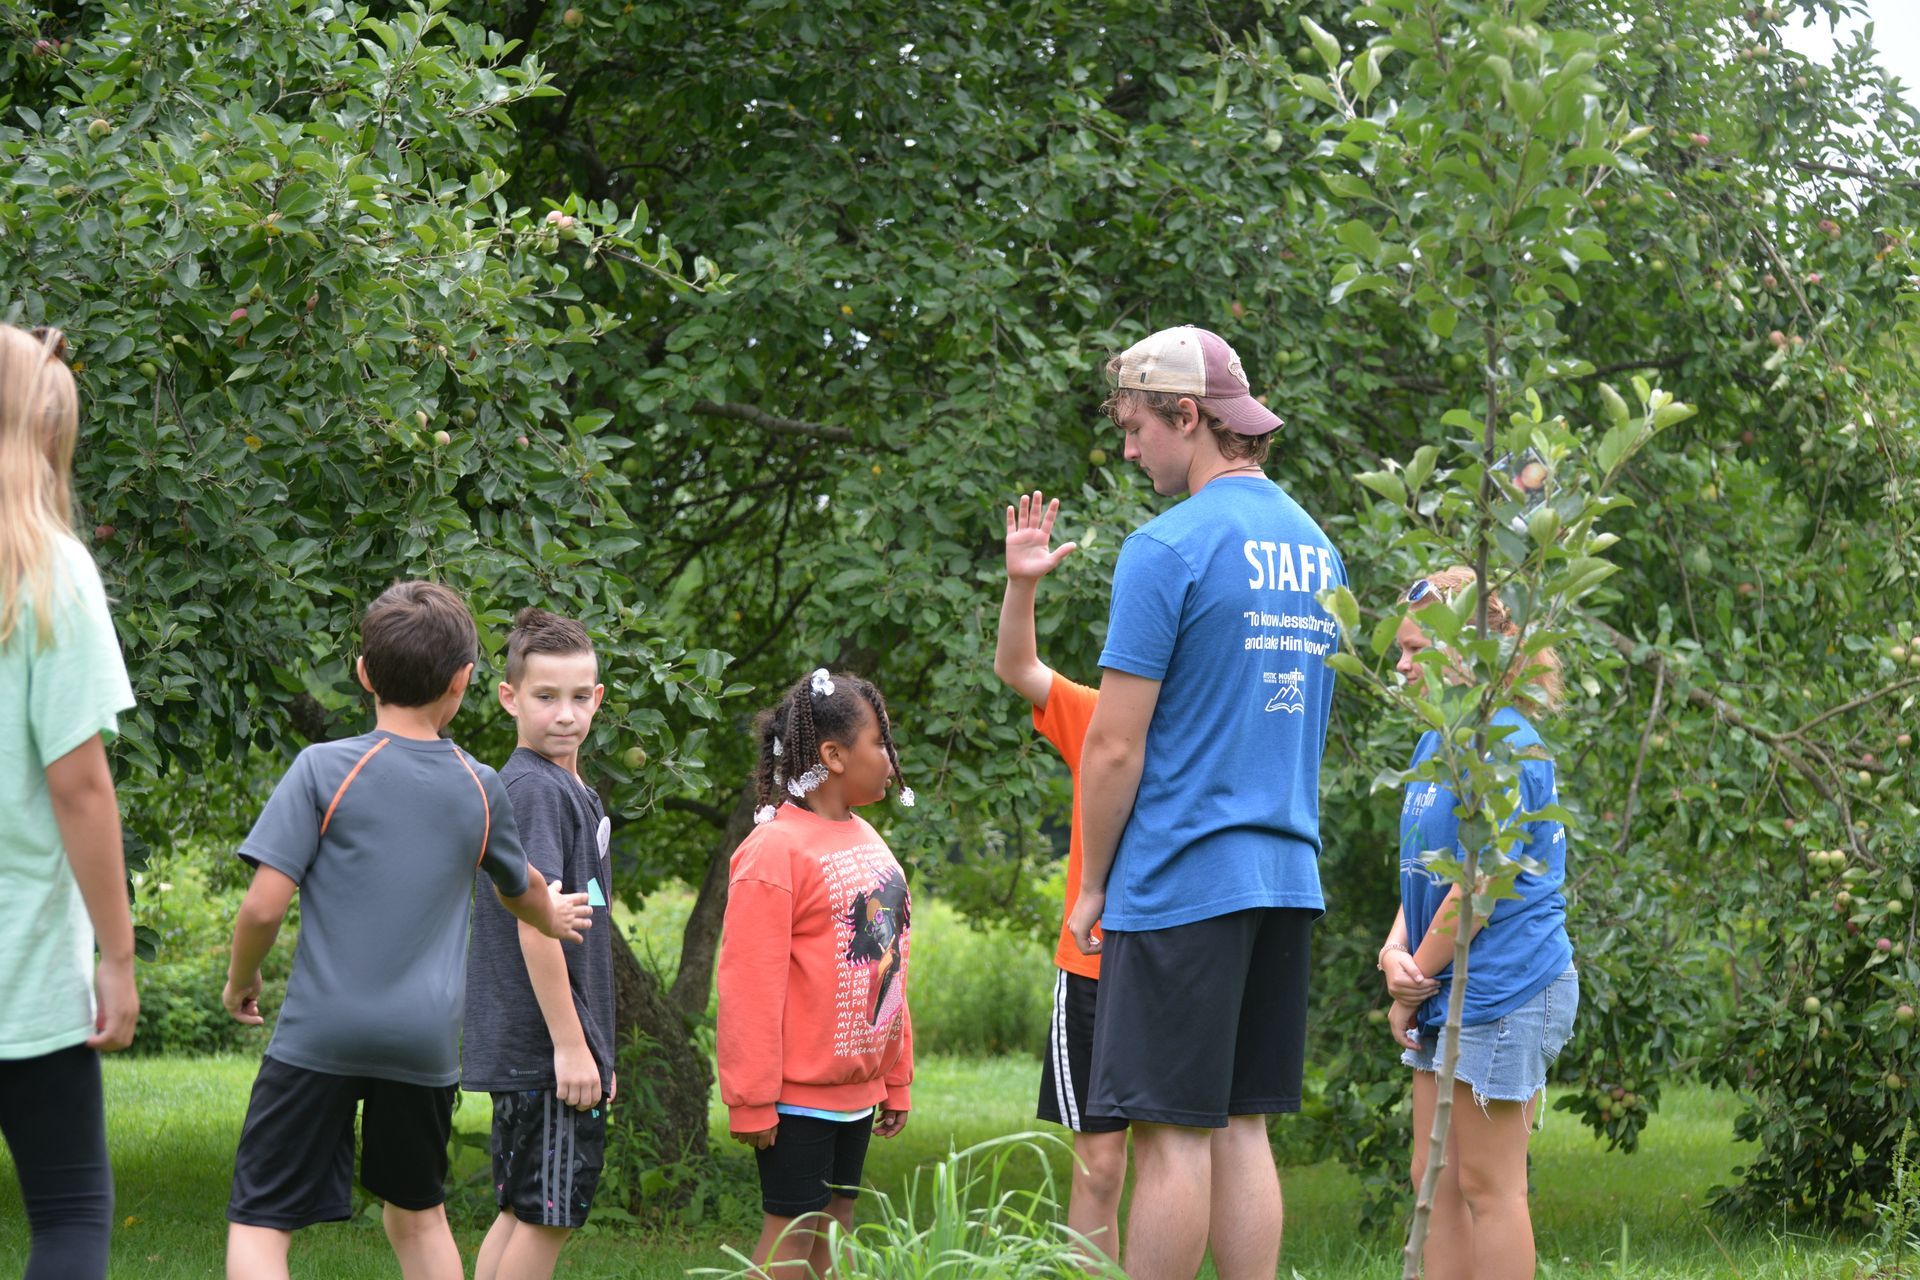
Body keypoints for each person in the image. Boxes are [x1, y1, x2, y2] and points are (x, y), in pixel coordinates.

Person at [1065, 326, 1344, 1280]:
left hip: (1182, 876)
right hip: (1285, 873)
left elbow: (1113, 743)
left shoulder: (1166, 546)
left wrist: (1094, 884)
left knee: (1172, 1134)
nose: (1131, 449)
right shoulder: (1319, 551)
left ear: (1190, 417)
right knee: (1242, 1124)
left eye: (1139, 427)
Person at [221, 581, 593, 1280]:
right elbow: (525, 892)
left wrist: (242, 981)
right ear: (465, 681)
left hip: (318, 1036)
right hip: (422, 1049)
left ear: (363, 673)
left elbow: (264, 907)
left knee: (263, 1221)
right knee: (419, 1217)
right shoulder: (479, 785)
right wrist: (554, 914)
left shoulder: (322, 768)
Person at [1378, 566, 1577, 1280]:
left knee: (1489, 1188)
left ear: (1467, 649)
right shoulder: (1441, 739)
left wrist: (1414, 979)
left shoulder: (1501, 744)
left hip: (1504, 986)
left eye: (1413, 652)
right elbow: (1433, 867)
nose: (1400, 667)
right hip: (1446, 981)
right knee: (1432, 1180)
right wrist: (1397, 947)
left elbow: (1480, 887)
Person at [0, 322, 139, 1280]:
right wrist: (119, 957)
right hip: (21, 975)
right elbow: (80, 786)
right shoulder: (48, 576)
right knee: (71, 1215)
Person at [717, 669, 917, 1279]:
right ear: (833, 755)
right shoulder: (774, 851)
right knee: (791, 1240)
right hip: (798, 1100)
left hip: (857, 1093)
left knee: (834, 1233)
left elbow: (893, 960)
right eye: (879, 742)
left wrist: (896, 1075)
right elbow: (748, 988)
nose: (890, 758)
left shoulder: (866, 837)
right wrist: (750, 1102)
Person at [991, 488, 1128, 1262]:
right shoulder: (1100, 714)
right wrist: (1022, 582)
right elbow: (1017, 666)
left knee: (1187, 1149)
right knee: (1101, 1164)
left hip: (1177, 959)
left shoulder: (1212, 726)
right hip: (1095, 966)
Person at [464, 608, 616, 1280]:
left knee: (525, 1212)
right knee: (548, 1217)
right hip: (544, 1050)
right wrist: (571, 1043)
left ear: (599, 699)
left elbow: (583, 913)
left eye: (580, 697)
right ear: (509, 698)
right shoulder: (533, 788)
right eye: (545, 697)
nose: (565, 714)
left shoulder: (571, 788)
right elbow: (535, 921)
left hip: (541, 1050)